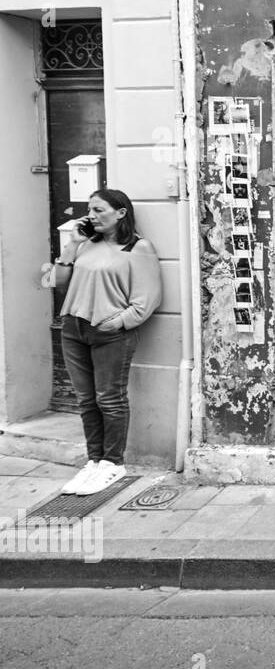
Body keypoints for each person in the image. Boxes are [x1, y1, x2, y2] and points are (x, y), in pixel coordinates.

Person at [50, 189, 163, 496]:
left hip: (109, 331)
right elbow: (59, 283)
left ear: (121, 212)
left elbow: (148, 298)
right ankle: (94, 460)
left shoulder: (138, 247)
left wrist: (118, 322)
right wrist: (72, 245)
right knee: (86, 400)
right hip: (73, 327)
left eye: (99, 210)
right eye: (89, 210)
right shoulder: (86, 244)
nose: (91, 216)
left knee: (109, 399)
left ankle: (113, 463)